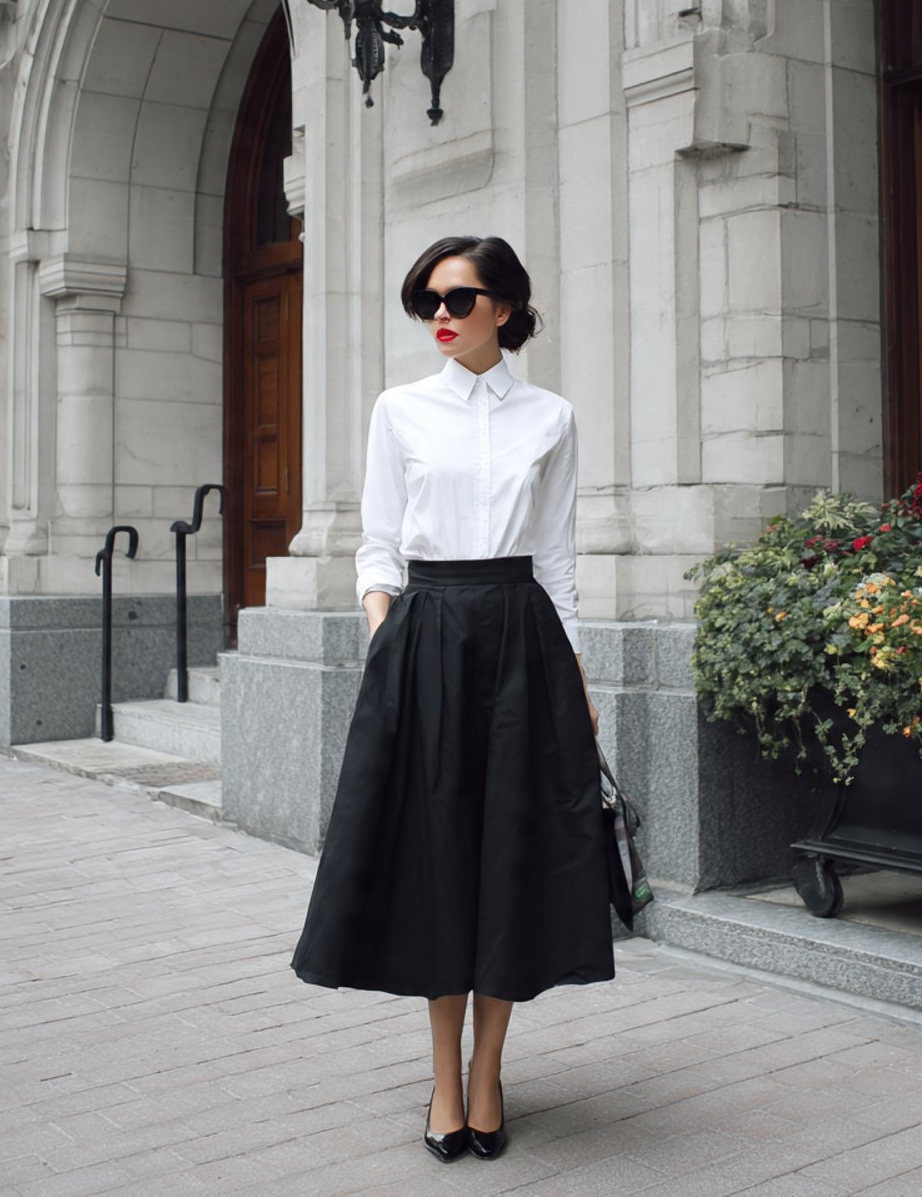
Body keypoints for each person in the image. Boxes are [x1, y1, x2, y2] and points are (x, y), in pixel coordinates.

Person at [290, 235, 614, 1163]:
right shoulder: (399, 410)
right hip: (426, 637)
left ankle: (487, 1076)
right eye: (427, 300)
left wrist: (576, 673)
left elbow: (557, 558)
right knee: (437, 861)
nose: (440, 315)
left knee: (508, 854)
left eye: (458, 299)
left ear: (504, 308)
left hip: (522, 641)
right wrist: (386, 638)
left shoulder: (552, 417)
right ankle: (443, 1077)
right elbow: (379, 543)